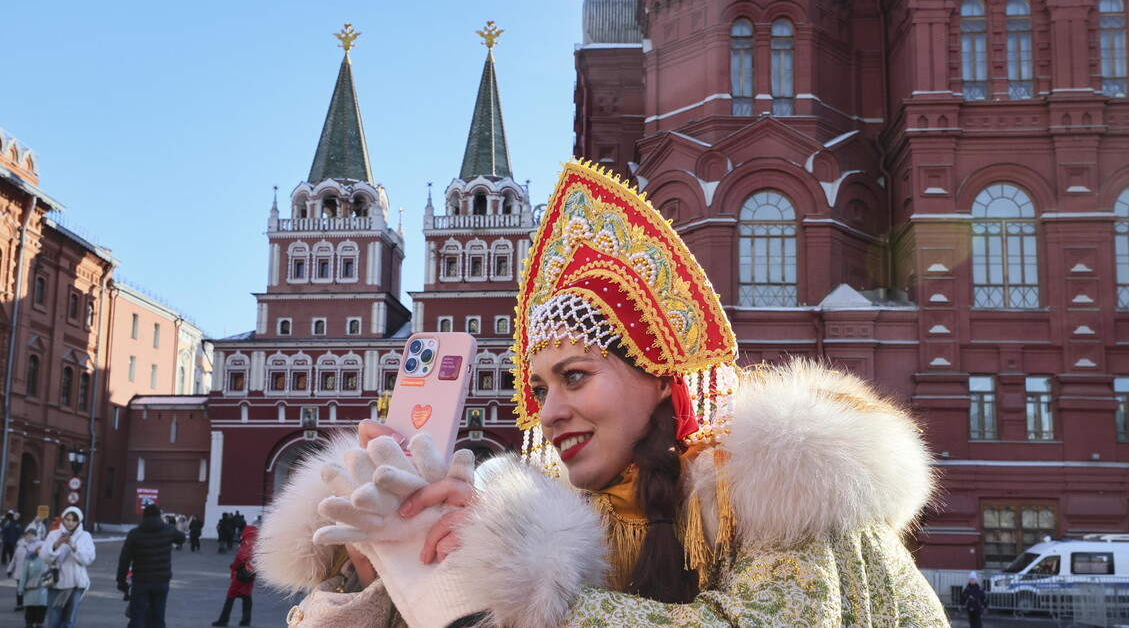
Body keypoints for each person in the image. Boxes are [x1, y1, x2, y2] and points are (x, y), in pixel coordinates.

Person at [257, 160, 949, 626]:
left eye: (575, 376)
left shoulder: (776, 493)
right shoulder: (558, 515)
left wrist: (518, 583)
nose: (548, 410)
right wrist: (386, 581)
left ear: (658, 373)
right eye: (534, 387)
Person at [116, 504, 186, 628]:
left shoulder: (134, 533)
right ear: (159, 516)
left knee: (137, 616)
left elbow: (124, 559)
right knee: (158, 616)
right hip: (162, 581)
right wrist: (166, 524)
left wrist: (121, 581)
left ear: (144, 517)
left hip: (141, 581)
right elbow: (181, 538)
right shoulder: (168, 530)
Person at [39, 506, 94, 628]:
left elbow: (89, 558)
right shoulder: (53, 534)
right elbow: (44, 557)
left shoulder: (85, 536)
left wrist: (74, 547)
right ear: (63, 519)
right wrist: (56, 544)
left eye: (74, 520)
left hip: (75, 583)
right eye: (67, 519)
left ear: (79, 521)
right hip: (56, 581)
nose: (70, 523)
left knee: (69, 619)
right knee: (54, 618)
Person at [210, 525, 257, 627]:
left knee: (230, 595)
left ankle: (224, 619)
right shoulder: (257, 545)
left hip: (241, 574)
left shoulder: (246, 544)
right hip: (250, 575)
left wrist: (233, 566)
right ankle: (246, 620)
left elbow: (240, 559)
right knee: (247, 597)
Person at [17, 537, 48, 628]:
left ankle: (39, 623)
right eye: (39, 548)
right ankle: (29, 623)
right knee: (30, 612)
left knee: (41, 611)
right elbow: (24, 575)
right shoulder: (29, 560)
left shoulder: (48, 560)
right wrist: (20, 589)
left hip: (43, 590)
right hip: (30, 590)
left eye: (43, 548)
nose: (41, 550)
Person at [8, 528, 39, 610]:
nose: (29, 536)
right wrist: (10, 569)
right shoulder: (20, 545)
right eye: (28, 534)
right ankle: (20, 604)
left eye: (31, 534)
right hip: (19, 571)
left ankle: (29, 604)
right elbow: (14, 559)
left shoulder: (38, 545)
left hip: (31, 572)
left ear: (35, 535)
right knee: (19, 589)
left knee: (29, 589)